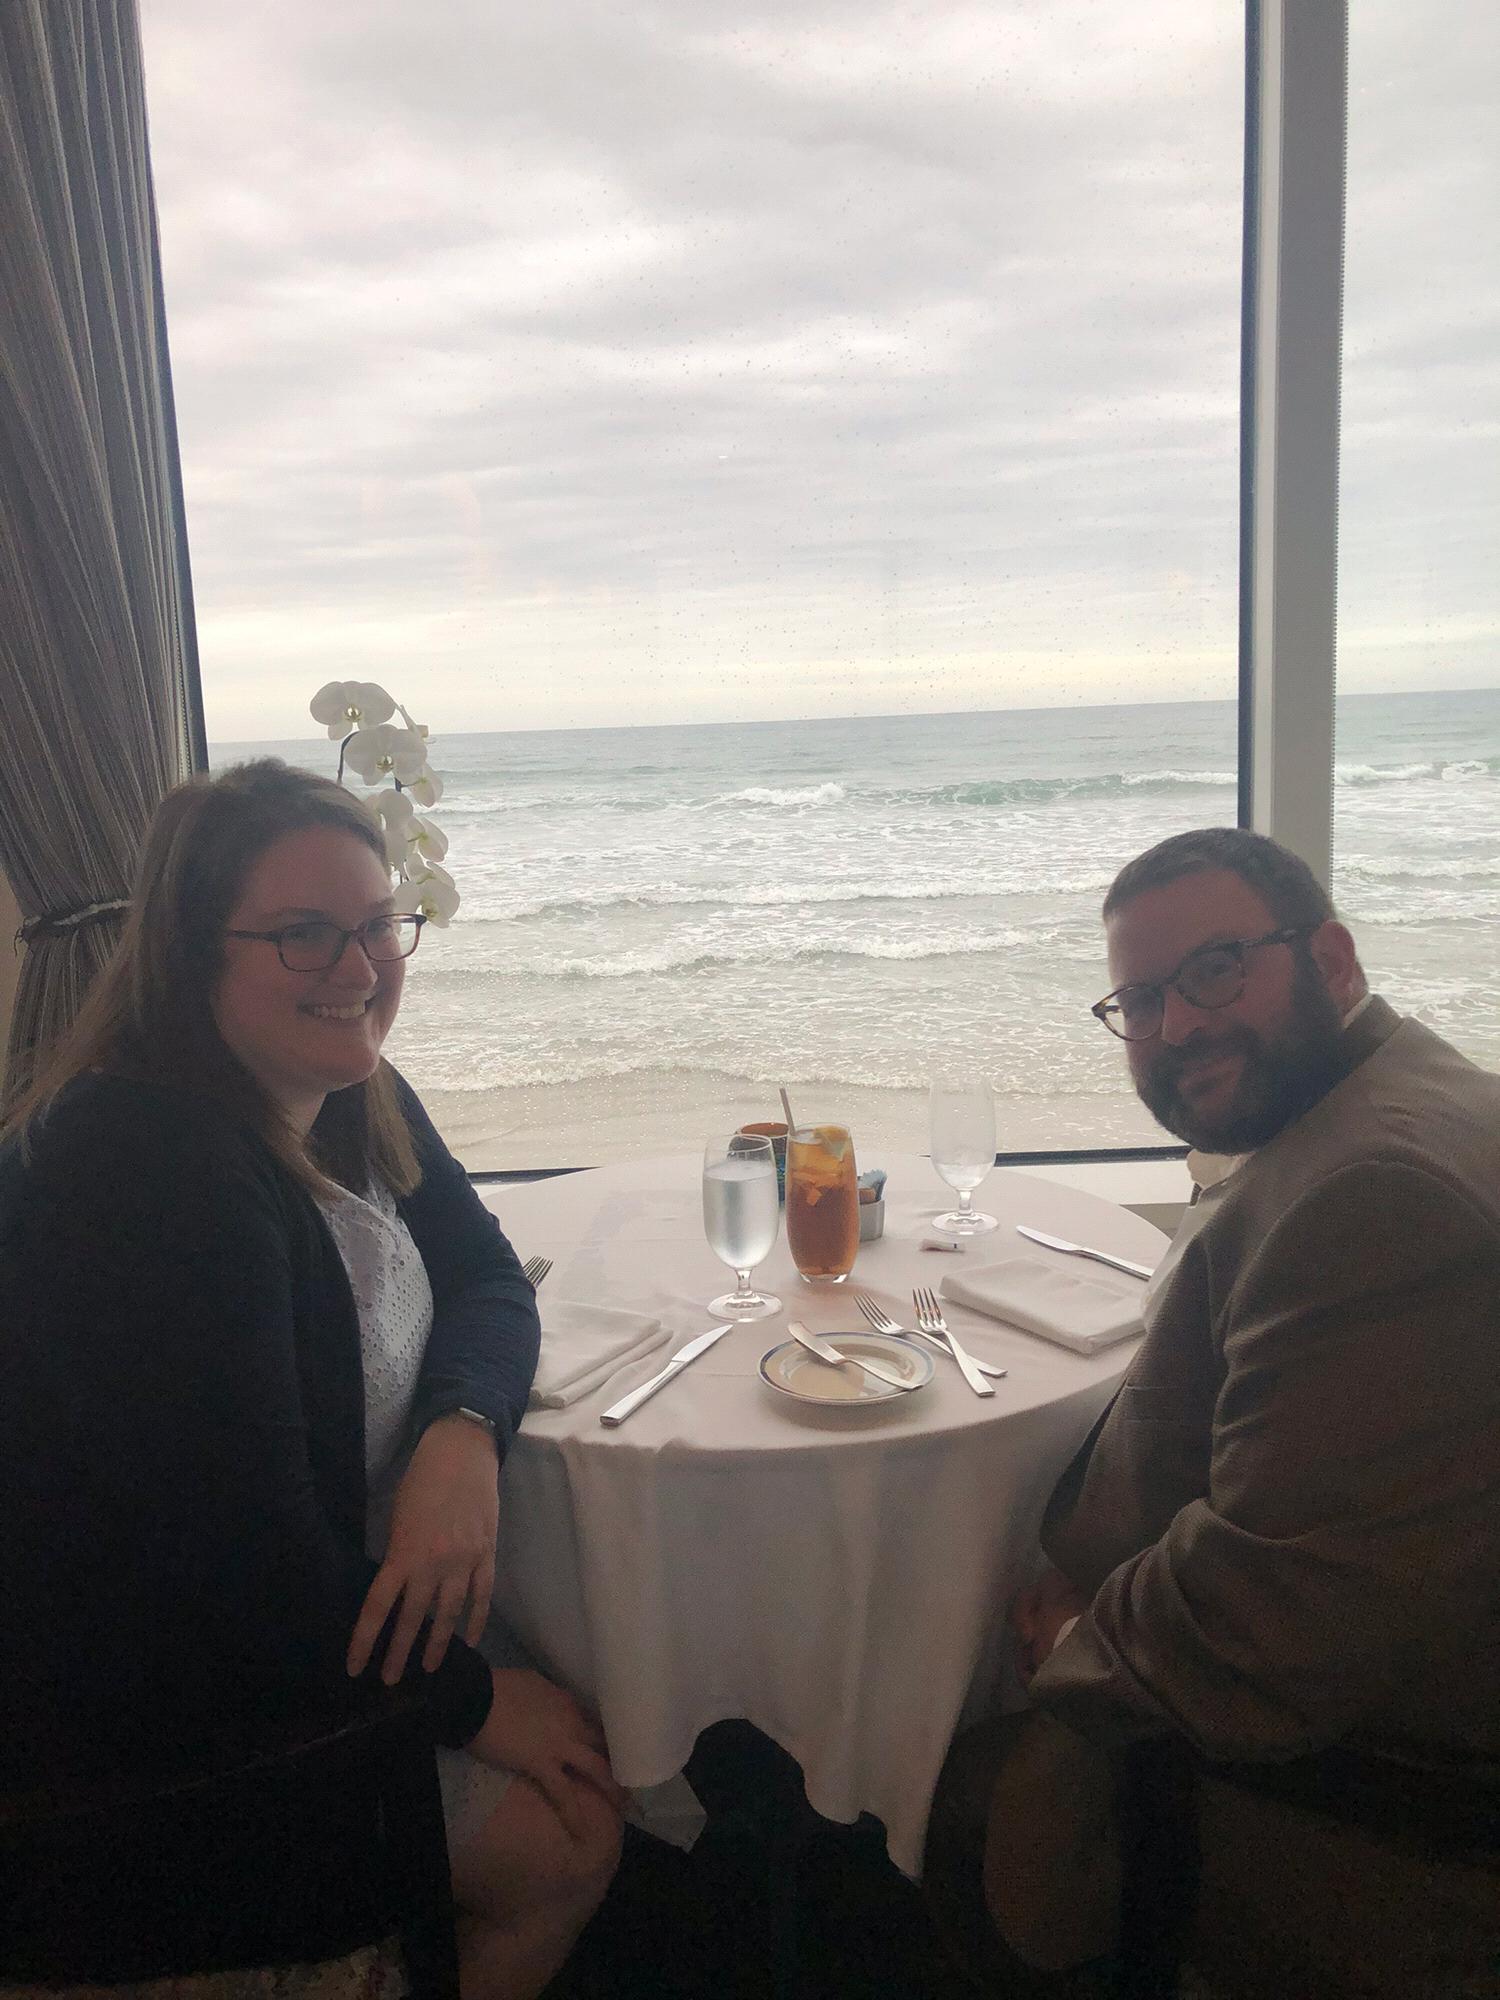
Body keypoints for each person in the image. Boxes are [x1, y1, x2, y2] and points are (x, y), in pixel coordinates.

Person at [0, 760, 624, 1995]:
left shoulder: (344, 1088)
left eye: (380, 923)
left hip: (301, 1605)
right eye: (303, 933)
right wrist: (473, 1698)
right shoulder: (145, 1169)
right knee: (572, 1836)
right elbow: (233, 1577)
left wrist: (460, 1431)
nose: (360, 969)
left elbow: (494, 1281)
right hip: (154, 1728)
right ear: (190, 950)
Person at [931, 827, 1500, 1998]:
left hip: (1347, 1813)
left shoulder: (1373, 1201)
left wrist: (1086, 1633)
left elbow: (1277, 1618)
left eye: (1217, 968)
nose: (1179, 1024)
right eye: (1140, 999)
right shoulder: (1403, 1098)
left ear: (1333, 958)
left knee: (920, 1786)